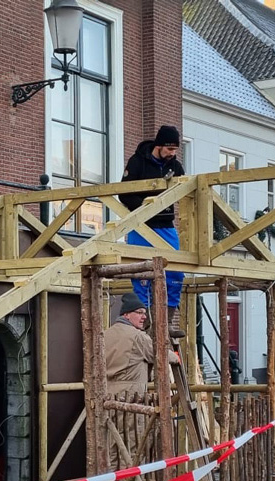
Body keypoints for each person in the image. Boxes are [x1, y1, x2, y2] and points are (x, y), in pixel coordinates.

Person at [119, 125, 186, 338]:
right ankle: (146, 325)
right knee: (141, 275)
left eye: (175, 149)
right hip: (140, 225)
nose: (172, 153)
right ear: (159, 145)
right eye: (169, 148)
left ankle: (165, 324)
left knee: (175, 272)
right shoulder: (137, 162)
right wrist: (146, 208)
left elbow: (184, 190)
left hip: (165, 226)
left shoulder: (176, 166)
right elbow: (124, 193)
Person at [105, 293, 179, 397]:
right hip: (130, 396)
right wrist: (176, 356)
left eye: (144, 313)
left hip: (107, 394)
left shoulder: (105, 335)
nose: (144, 317)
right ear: (126, 314)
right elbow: (161, 354)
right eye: (139, 313)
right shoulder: (138, 337)